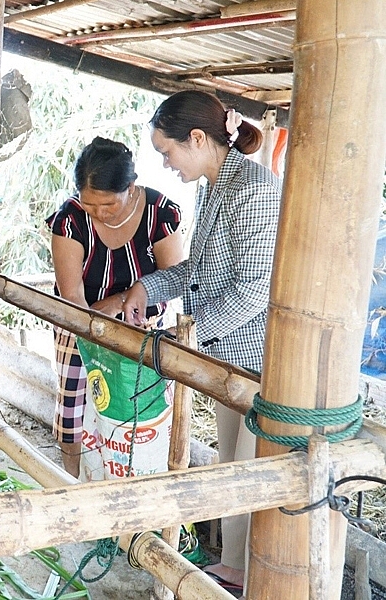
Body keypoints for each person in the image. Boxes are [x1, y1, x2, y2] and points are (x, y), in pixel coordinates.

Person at [121, 90, 282, 597]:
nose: (166, 165)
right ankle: (233, 566)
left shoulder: (253, 188)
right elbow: (204, 270)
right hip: (226, 352)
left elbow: (256, 287)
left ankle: (254, 574)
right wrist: (148, 286)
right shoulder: (212, 187)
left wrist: (191, 336)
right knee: (233, 461)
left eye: (167, 153)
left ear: (197, 139)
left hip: (258, 355)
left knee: (251, 465)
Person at [46, 137, 184, 478]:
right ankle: (74, 482)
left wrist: (120, 302)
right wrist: (98, 324)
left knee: (137, 414)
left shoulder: (159, 214)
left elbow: (174, 277)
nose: (99, 213)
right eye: (90, 204)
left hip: (144, 329)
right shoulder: (70, 220)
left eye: (108, 204)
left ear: (131, 187)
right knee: (73, 410)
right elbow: (72, 298)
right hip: (80, 328)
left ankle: (135, 480)